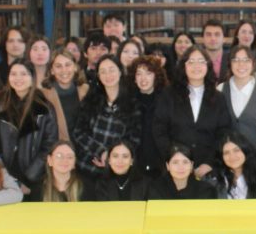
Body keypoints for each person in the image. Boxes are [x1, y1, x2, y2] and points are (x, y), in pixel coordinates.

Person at [0, 59, 58, 200]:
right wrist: (1, 172)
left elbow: (50, 144)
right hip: (2, 176)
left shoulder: (44, 107)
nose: (18, 78)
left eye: (23, 74)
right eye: (14, 74)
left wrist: (29, 176)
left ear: (32, 78)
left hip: (34, 178)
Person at [152, 45, 231, 179]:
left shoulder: (218, 97)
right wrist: (175, 160)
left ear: (208, 66)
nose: (196, 66)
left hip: (207, 170)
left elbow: (223, 133)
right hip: (175, 170)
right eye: (191, 62)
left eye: (201, 62)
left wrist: (209, 162)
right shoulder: (168, 95)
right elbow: (159, 130)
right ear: (183, 66)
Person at [72, 54, 142, 187]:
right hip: (87, 167)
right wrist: (101, 152)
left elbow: (134, 138)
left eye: (111, 70)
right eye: (102, 71)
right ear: (98, 76)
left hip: (117, 170)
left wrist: (112, 157)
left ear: (120, 72)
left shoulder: (132, 103)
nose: (107, 75)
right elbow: (79, 132)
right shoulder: (90, 100)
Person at [218, 45, 256, 176]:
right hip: (229, 160)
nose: (241, 64)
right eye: (236, 60)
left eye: (246, 60)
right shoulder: (220, 89)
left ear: (253, 63)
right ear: (230, 64)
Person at [41, 48, 90, 141]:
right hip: (56, 150)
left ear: (75, 67)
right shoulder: (44, 95)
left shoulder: (86, 91)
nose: (64, 70)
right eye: (58, 66)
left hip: (85, 149)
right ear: (52, 70)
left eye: (68, 65)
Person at [130, 55, 167, 175]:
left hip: (161, 166)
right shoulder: (128, 102)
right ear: (134, 78)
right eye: (139, 74)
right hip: (134, 166)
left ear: (156, 76)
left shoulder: (166, 101)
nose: (143, 78)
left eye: (148, 73)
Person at [147, 143, 218, 200]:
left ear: (191, 165)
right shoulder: (155, 189)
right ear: (168, 166)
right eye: (175, 162)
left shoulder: (206, 190)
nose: (180, 167)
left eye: (185, 162)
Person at [216, 131, 256, 199]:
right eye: (226, 153)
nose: (232, 156)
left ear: (245, 150)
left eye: (236, 150)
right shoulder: (216, 181)